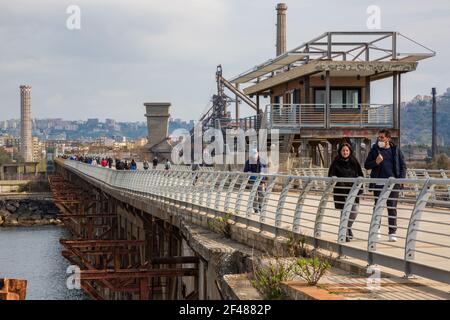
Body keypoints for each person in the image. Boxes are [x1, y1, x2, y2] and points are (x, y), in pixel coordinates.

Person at [364, 129, 406, 242]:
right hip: (378, 183)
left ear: (388, 139)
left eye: (382, 137)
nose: (379, 139)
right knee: (378, 207)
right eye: (379, 137)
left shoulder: (395, 150)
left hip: (392, 184)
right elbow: (366, 165)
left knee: (392, 207)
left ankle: (392, 232)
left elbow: (403, 166)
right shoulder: (374, 150)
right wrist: (376, 162)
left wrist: (399, 181)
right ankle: (376, 229)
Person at [328, 143, 364, 242]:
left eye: (347, 150)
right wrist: (334, 178)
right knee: (344, 212)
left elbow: (360, 174)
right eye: (343, 150)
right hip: (341, 190)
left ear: (350, 151)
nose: (345, 152)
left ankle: (347, 227)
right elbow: (331, 175)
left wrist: (360, 183)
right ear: (340, 151)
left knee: (354, 211)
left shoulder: (354, 161)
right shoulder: (336, 162)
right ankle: (345, 234)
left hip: (353, 190)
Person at [244, 149, 266, 214]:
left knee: (262, 194)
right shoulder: (248, 162)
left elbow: (264, 170)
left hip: (260, 181)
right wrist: (248, 172)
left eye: (256, 156)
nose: (255, 158)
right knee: (254, 196)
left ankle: (260, 206)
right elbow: (245, 171)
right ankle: (255, 209)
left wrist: (264, 180)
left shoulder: (261, 161)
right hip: (252, 181)